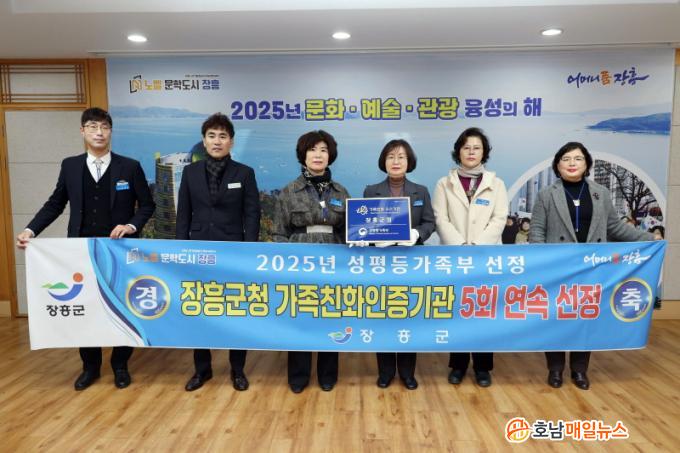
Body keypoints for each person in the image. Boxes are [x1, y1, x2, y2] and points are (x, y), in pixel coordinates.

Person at [16, 107, 155, 391]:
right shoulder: (70, 166)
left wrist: (130, 225)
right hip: (79, 250)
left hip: (119, 250)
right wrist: (31, 230)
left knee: (120, 306)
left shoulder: (129, 167)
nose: (99, 132)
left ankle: (120, 365)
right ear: (83, 131)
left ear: (111, 131)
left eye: (104, 127)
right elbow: (55, 204)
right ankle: (90, 367)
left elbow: (148, 205)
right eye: (93, 127)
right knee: (86, 307)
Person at [529, 141, 655, 390]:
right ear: (557, 165)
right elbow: (537, 231)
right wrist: (542, 263)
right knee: (555, 318)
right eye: (566, 159)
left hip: (591, 268)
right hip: (558, 269)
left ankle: (579, 370)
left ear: (586, 164)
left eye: (578, 158)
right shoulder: (546, 194)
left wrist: (649, 239)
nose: (572, 163)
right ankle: (555, 369)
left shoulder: (601, 193)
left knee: (584, 318)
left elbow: (615, 228)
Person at [176, 113, 261, 392]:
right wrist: (182, 251)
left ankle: (238, 370)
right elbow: (183, 214)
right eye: (211, 136)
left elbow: (252, 214)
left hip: (233, 252)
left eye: (223, 136)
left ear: (231, 142)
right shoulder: (190, 173)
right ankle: (202, 370)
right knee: (200, 311)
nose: (217, 141)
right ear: (204, 140)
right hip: (198, 251)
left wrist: (248, 252)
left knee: (236, 312)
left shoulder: (244, 173)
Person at [272, 130, 350, 393]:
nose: (318, 155)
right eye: (312, 150)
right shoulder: (288, 192)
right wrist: (288, 264)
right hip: (299, 263)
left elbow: (349, 232)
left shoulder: (341, 192)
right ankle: (298, 375)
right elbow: (278, 233)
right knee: (300, 318)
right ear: (303, 155)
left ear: (330, 156)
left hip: (334, 263)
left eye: (323, 150)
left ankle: (328, 374)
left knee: (330, 316)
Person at [432, 127, 508, 388]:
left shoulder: (497, 184)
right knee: (458, 313)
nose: (471, 152)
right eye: (466, 147)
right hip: (454, 258)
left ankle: (483, 367)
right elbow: (440, 218)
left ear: (484, 152)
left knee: (484, 313)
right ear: (458, 152)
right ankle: (458, 365)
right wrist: (461, 245)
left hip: (486, 258)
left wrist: (476, 246)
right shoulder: (444, 184)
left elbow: (499, 219)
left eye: (477, 148)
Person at [362, 139, 435, 390]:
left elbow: (429, 223)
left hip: (410, 262)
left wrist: (416, 234)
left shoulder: (420, 191)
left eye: (401, 157)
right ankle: (385, 372)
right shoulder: (371, 191)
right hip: (381, 263)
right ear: (384, 161)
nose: (396, 161)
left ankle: (407, 373)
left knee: (408, 316)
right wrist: (371, 239)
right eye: (391, 156)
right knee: (383, 316)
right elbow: (364, 225)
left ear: (409, 161)